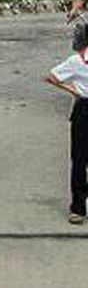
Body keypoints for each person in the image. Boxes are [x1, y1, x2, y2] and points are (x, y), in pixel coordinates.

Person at [45, 26, 88, 224]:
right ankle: (78, 206)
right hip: (84, 110)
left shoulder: (77, 60)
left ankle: (79, 208)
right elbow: (51, 77)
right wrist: (75, 91)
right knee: (79, 159)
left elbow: (52, 77)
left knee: (80, 159)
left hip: (83, 107)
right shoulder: (78, 61)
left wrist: (73, 90)